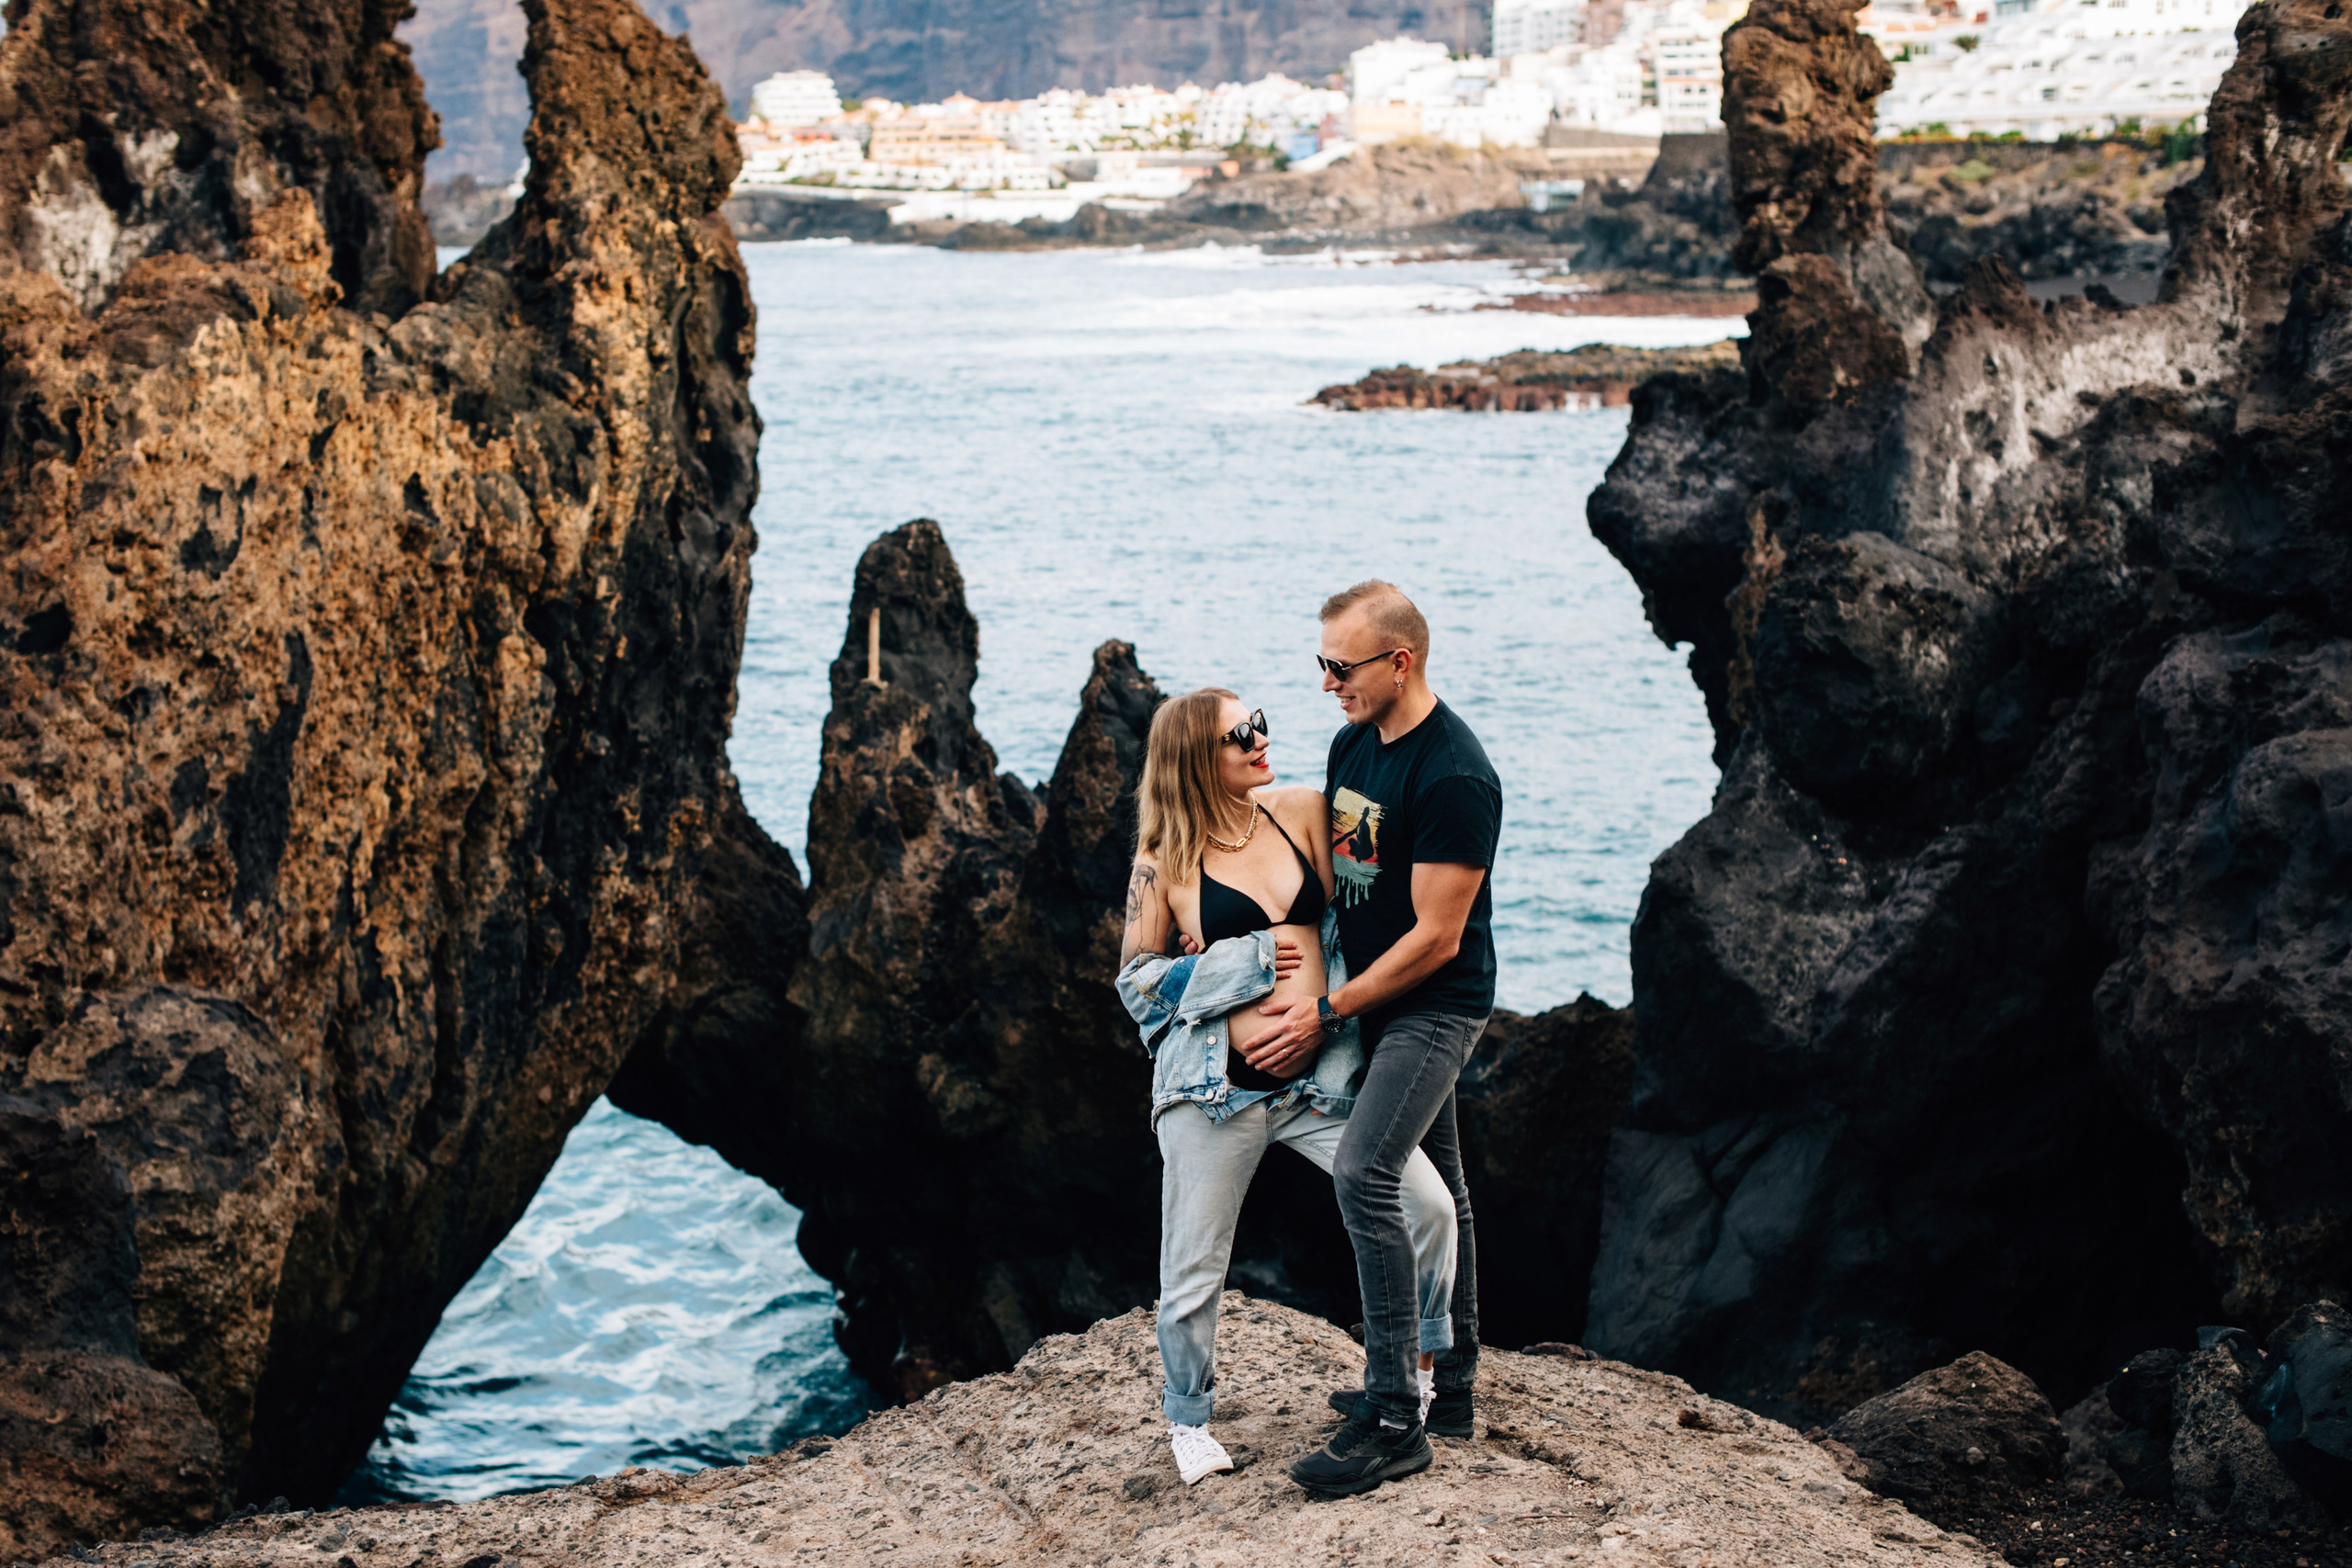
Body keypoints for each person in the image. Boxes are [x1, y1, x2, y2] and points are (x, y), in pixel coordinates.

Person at [1114, 687, 1464, 1489]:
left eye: (1260, 720)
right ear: (1197, 757)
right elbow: (1136, 987)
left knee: (1430, 1208)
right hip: (1216, 1093)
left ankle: (1415, 1377)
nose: (1260, 738)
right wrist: (1241, 962)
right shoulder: (1159, 860)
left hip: (1319, 1081)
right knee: (1195, 1269)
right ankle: (1189, 1420)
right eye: (1241, 733)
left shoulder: (1300, 810)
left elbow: (1377, 883)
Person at [1250, 581, 1502, 1498]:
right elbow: (1337, 874)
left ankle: (1396, 1414)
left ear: (1402, 661)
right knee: (1449, 1194)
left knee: (1365, 1173)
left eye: (1340, 667)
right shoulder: (1355, 744)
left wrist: (1329, 1012)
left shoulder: (1455, 776)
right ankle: (1456, 1388)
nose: (1325, 684)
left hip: (1435, 1006)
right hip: (1372, 999)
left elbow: (1436, 937)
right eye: (1320, 664)